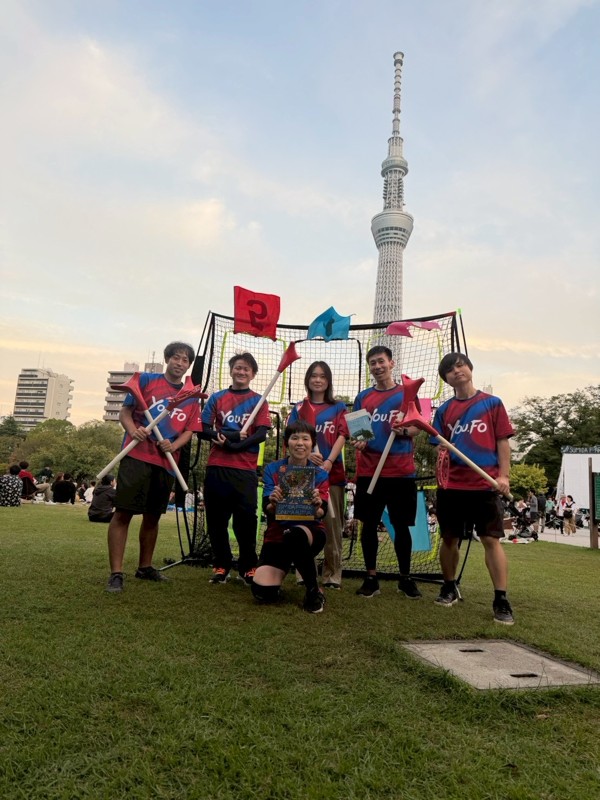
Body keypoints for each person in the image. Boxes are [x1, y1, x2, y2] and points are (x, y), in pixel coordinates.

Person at [105, 341, 202, 593]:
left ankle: (145, 566)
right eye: (176, 358)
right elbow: (125, 413)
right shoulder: (146, 380)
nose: (180, 363)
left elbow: (190, 430)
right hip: (136, 456)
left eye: (185, 360)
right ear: (167, 359)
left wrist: (174, 444)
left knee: (153, 516)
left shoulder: (191, 396)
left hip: (166, 463)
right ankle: (116, 573)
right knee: (123, 513)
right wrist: (132, 430)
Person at [430, 353, 515, 625]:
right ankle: (449, 586)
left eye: (460, 365)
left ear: (469, 368)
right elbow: (439, 447)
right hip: (452, 485)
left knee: (491, 540)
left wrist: (504, 476)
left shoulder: (492, 403)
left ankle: (501, 598)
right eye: (450, 370)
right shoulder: (444, 411)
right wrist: (442, 461)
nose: (457, 371)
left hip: (485, 484)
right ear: (446, 378)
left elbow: (503, 441)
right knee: (449, 538)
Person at [350, 345, 421, 599]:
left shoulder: (406, 394)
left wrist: (402, 430)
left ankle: (405, 578)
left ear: (391, 363)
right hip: (370, 470)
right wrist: (360, 441)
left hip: (401, 472)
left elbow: (416, 428)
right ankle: (371, 577)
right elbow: (359, 434)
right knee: (368, 525)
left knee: (401, 527)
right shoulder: (363, 398)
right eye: (373, 363)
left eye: (381, 361)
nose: (377, 367)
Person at [200, 352, 271, 585]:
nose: (241, 372)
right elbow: (203, 428)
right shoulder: (217, 398)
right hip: (217, 466)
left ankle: (248, 566)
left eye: (247, 369)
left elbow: (261, 433)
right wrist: (229, 437)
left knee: (246, 521)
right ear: (231, 370)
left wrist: (236, 445)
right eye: (238, 368)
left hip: (245, 469)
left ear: (253, 374)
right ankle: (221, 564)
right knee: (217, 520)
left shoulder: (259, 400)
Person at [252, 420, 329, 613]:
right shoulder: (273, 469)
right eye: (295, 438)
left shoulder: (319, 474)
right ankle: (286, 569)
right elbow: (267, 509)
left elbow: (322, 513)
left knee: (295, 535)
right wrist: (273, 502)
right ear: (287, 443)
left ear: (312, 444)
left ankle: (313, 591)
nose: (300, 443)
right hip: (277, 534)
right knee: (262, 592)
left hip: (309, 532)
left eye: (305, 438)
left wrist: (317, 505)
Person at [288, 361, 348, 589]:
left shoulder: (338, 407)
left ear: (328, 380)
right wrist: (307, 456)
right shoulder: (299, 407)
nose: (318, 380)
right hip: (303, 472)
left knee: (332, 526)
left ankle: (332, 575)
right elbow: (293, 437)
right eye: (314, 375)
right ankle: (304, 573)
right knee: (305, 523)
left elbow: (343, 435)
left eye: (323, 376)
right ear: (308, 379)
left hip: (332, 473)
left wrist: (329, 461)